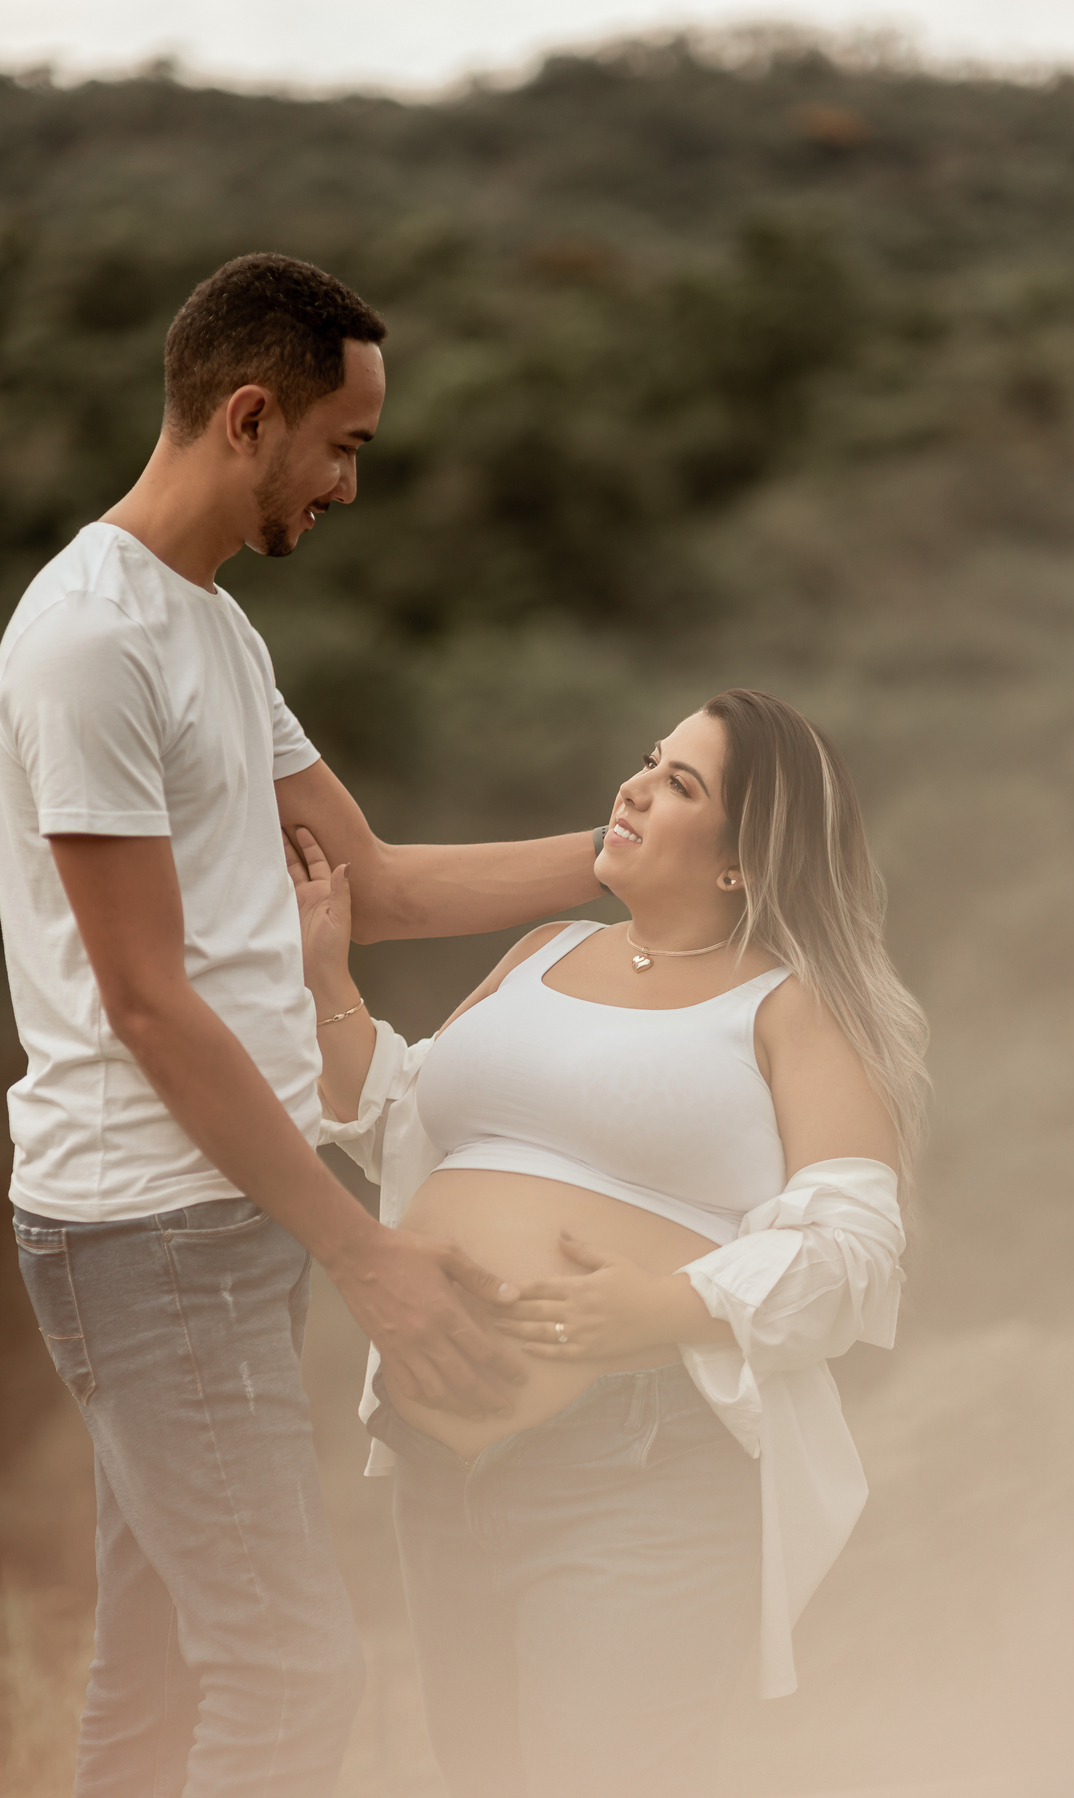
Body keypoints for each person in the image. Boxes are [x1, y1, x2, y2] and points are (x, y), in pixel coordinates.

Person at [0, 253, 605, 1798]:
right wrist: (362, 1248)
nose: (349, 486)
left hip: (222, 1212)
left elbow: (375, 884)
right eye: (344, 446)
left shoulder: (211, 628)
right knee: (289, 1671)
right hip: (150, 1224)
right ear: (251, 415)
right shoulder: (90, 642)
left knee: (159, 1678)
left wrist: (643, 857)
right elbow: (146, 999)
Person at [292, 687, 930, 1798]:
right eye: (649, 760)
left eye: (680, 783)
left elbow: (857, 1245)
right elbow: (403, 1129)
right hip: (441, 1464)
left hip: (638, 1466)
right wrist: (326, 981)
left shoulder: (793, 1007)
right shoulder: (545, 949)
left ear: (741, 862)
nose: (633, 787)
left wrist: (672, 1305)